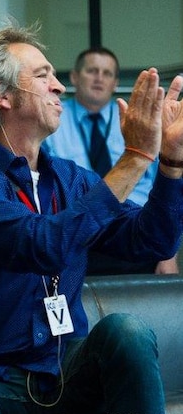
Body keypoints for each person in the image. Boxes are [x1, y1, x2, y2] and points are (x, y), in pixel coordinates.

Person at [0, 25, 183, 414]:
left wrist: (170, 162)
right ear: (1, 95)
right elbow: (42, 245)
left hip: (63, 368)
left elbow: (152, 242)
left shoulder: (67, 178)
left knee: (127, 332)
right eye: (43, 76)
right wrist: (136, 157)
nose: (59, 86)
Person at [43, 47, 178, 274]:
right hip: (80, 236)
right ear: (75, 77)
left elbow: (165, 186)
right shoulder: (51, 118)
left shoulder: (137, 121)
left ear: (115, 83)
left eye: (107, 73)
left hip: (138, 233)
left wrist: (167, 252)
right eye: (92, 71)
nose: (99, 78)